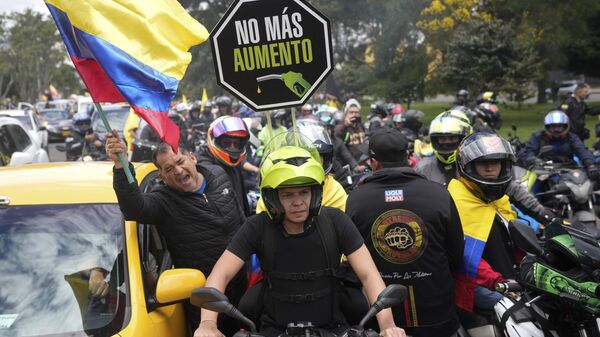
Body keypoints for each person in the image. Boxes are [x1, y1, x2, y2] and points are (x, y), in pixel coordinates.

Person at [193, 141, 405, 337]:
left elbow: (369, 275)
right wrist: (207, 324)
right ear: (272, 197)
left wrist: (387, 325)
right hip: (274, 330)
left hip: (332, 329)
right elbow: (220, 274)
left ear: (315, 193)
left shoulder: (336, 221)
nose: (298, 202)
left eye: (304, 192)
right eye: (287, 195)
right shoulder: (257, 226)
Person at [105, 136, 247, 333]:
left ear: (192, 158)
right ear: (162, 177)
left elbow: (242, 218)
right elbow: (134, 209)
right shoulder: (163, 200)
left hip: (244, 286)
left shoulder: (218, 173)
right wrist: (121, 166)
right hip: (207, 301)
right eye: (169, 169)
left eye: (180, 162)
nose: (178, 171)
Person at [346, 127, 464, 337]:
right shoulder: (439, 194)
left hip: (382, 321)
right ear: (408, 158)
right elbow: (456, 253)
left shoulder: (356, 200)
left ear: (373, 162)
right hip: (437, 312)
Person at [417, 110, 554, 225]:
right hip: (439, 231)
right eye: (442, 139)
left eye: (452, 138)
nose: (447, 143)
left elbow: (510, 188)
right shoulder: (423, 169)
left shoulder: (479, 161)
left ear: (466, 136)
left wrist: (547, 217)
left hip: (481, 229)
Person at [449, 132, 520, 315]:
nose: (490, 168)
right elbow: (464, 255)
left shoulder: (500, 200)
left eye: (495, 163)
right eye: (483, 163)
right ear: (469, 167)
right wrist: (498, 283)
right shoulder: (454, 201)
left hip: (512, 281)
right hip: (479, 286)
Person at [255, 121, 347, 213]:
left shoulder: (333, 189)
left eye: (318, 159)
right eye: (287, 195)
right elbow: (263, 220)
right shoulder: (273, 187)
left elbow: (337, 222)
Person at [198, 116, 254, 216]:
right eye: (226, 143)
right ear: (215, 140)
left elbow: (242, 163)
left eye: (236, 144)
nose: (232, 148)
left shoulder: (233, 163)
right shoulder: (204, 166)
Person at [517, 111, 596, 171]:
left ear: (565, 127)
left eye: (559, 127)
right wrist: (534, 160)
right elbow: (529, 152)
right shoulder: (537, 137)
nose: (556, 130)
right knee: (529, 188)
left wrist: (590, 165)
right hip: (543, 169)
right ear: (547, 127)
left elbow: (582, 151)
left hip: (567, 168)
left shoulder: (572, 137)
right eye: (553, 127)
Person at [335, 98, 366, 163]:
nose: (354, 114)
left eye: (356, 112)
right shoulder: (341, 126)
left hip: (364, 160)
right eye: (351, 112)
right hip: (350, 162)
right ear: (345, 114)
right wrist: (345, 125)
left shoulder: (360, 125)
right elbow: (336, 135)